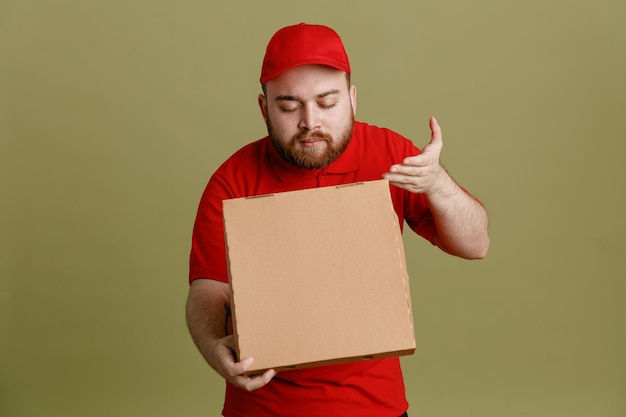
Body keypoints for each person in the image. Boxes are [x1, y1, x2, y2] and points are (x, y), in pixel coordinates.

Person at [186, 23, 489, 417]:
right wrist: (214, 348)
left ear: (352, 99)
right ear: (264, 108)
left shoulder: (391, 155)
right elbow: (207, 288)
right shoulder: (232, 180)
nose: (309, 121)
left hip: (375, 407)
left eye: (327, 103)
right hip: (263, 407)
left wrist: (437, 183)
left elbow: (476, 244)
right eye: (289, 106)